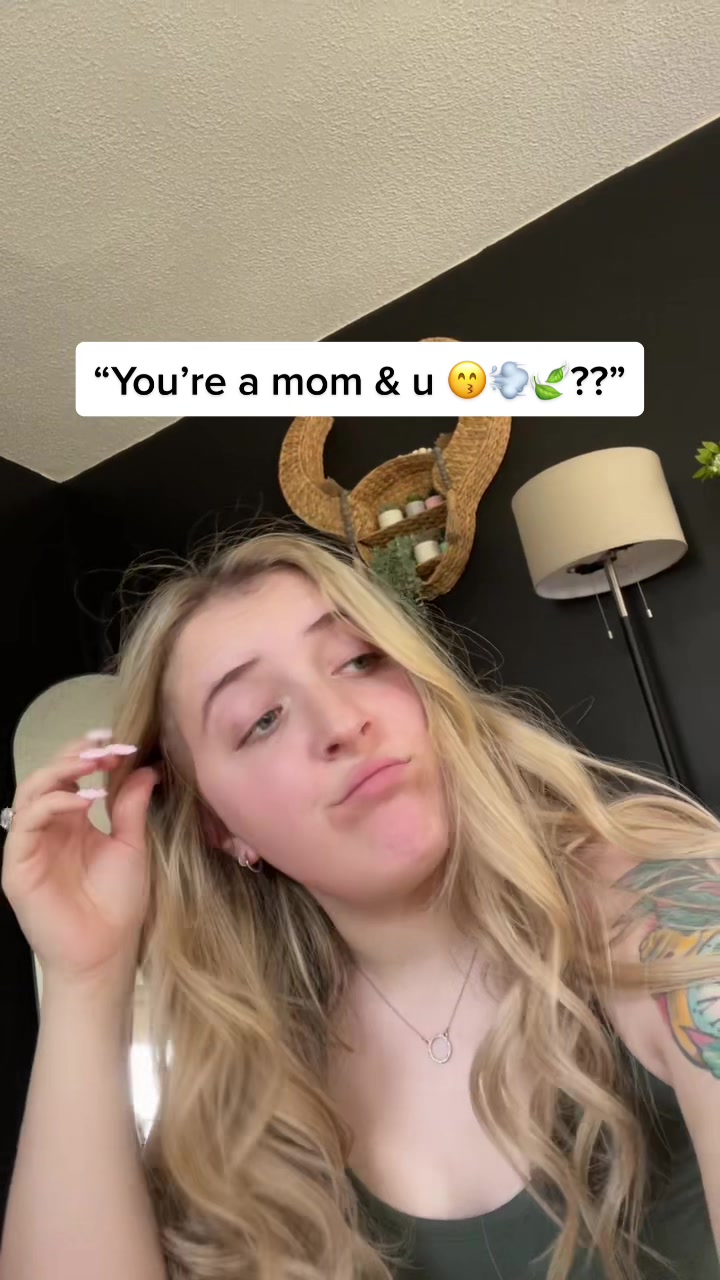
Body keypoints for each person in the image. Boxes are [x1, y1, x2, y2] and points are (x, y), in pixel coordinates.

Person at [1, 529, 719, 1280]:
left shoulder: (661, 907)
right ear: (222, 827)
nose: (342, 722)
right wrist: (86, 980)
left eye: (360, 660)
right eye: (262, 719)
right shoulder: (236, 1106)